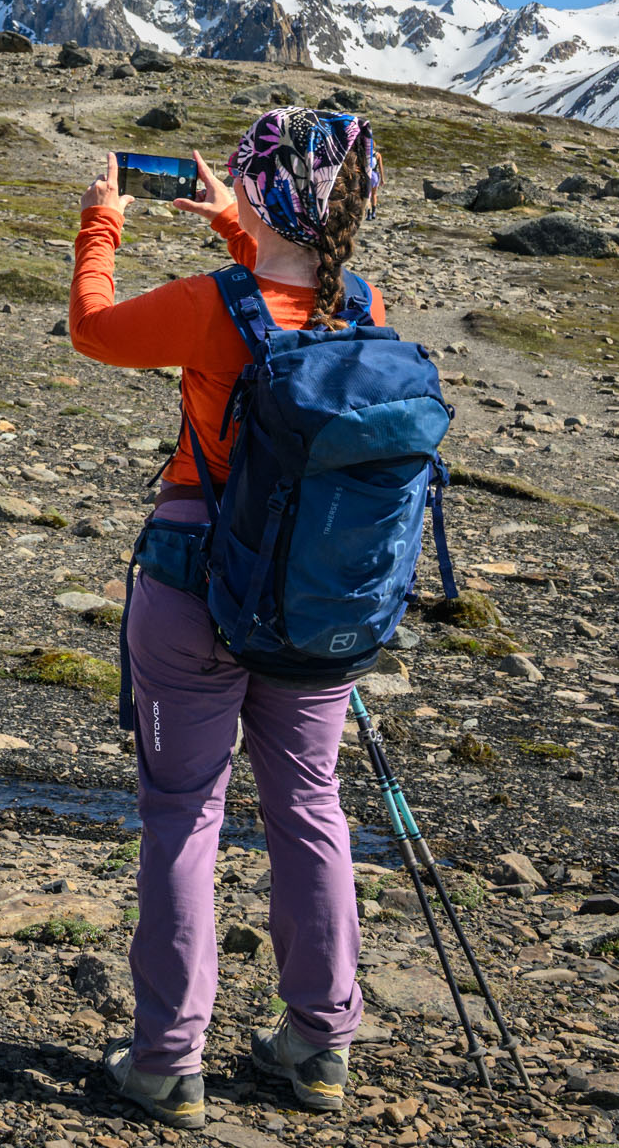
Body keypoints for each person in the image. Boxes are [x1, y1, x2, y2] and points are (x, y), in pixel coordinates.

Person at [67, 109, 387, 1125]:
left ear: (260, 191)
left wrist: (100, 226)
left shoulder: (215, 308)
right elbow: (297, 292)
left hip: (197, 586)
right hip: (316, 603)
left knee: (185, 816)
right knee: (309, 807)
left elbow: (94, 328)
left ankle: (168, 1059)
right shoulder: (368, 309)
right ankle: (318, 1045)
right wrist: (236, 226)